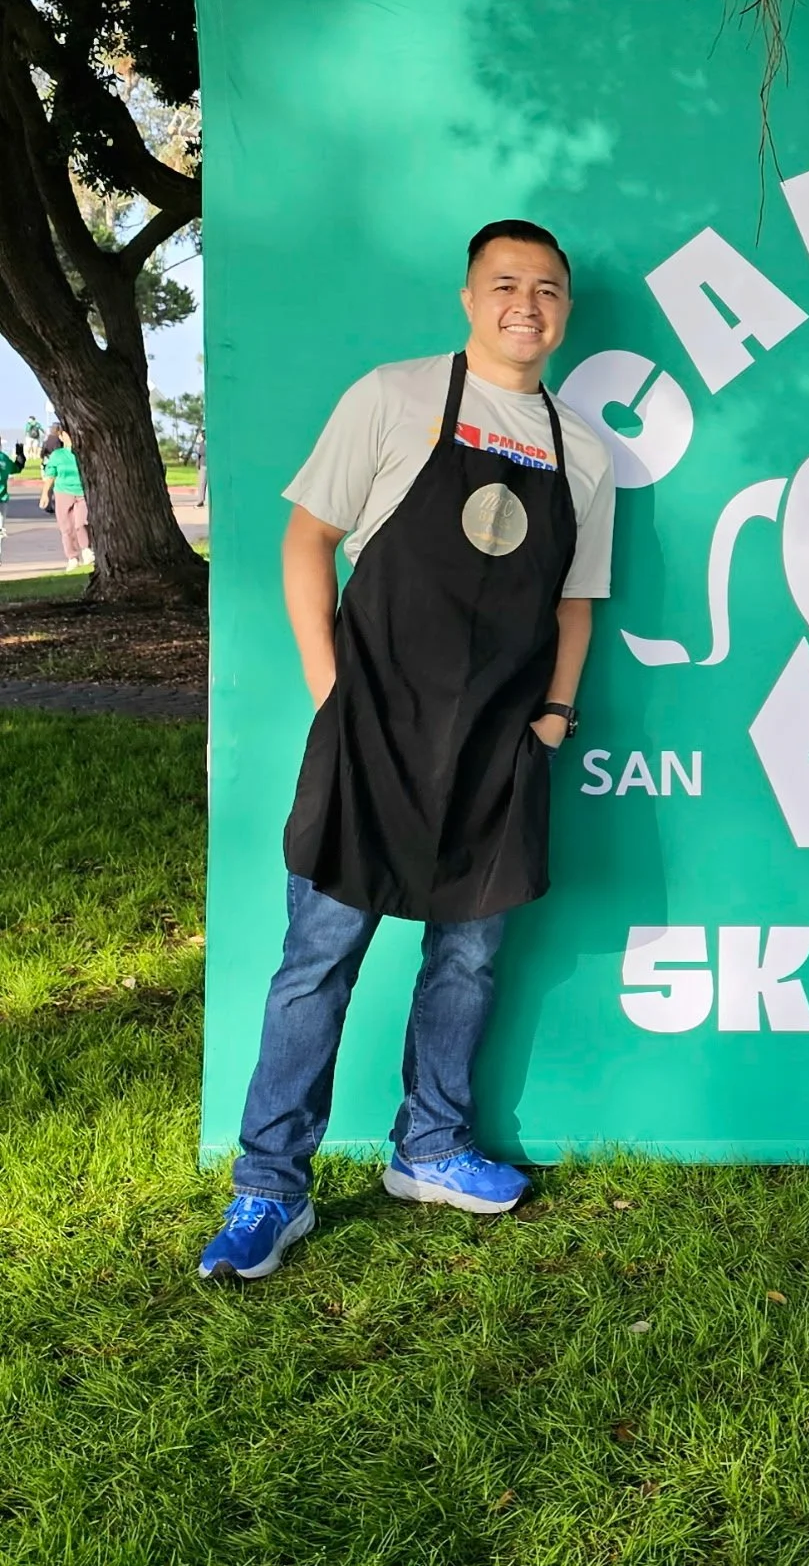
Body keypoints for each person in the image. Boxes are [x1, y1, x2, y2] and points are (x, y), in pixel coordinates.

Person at [200, 219, 617, 1281]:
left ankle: (429, 1147)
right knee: (318, 961)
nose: (528, 304)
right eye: (506, 284)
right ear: (469, 297)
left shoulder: (585, 449)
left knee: (470, 955)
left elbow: (573, 603)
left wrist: (554, 717)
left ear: (565, 309)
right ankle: (269, 1187)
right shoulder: (391, 396)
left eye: (549, 290)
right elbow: (308, 538)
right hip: (373, 729)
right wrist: (330, 688)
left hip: (497, 742)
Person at [38, 421, 91, 571]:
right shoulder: (57, 455)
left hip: (81, 492)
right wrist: (45, 494)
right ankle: (72, 557)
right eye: (65, 433)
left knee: (81, 523)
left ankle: (87, 549)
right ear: (61, 436)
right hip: (63, 492)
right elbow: (50, 475)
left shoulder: (83, 453)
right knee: (66, 527)